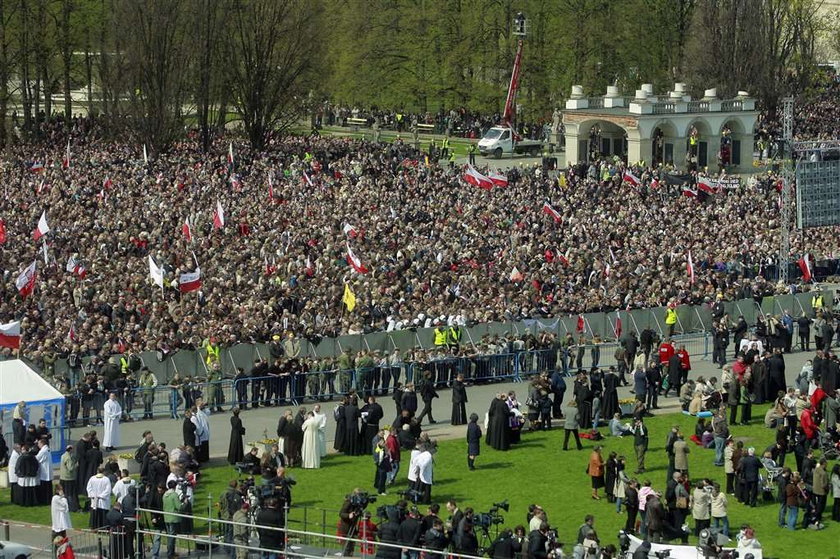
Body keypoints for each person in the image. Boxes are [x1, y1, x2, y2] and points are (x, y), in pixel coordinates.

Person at [163, 479, 185, 558]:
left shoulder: (165, 494)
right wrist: (183, 503)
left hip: (166, 517)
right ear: (175, 486)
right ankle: (170, 554)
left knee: (170, 536)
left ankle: (170, 552)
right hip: (173, 518)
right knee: (172, 537)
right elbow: (178, 506)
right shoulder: (174, 494)